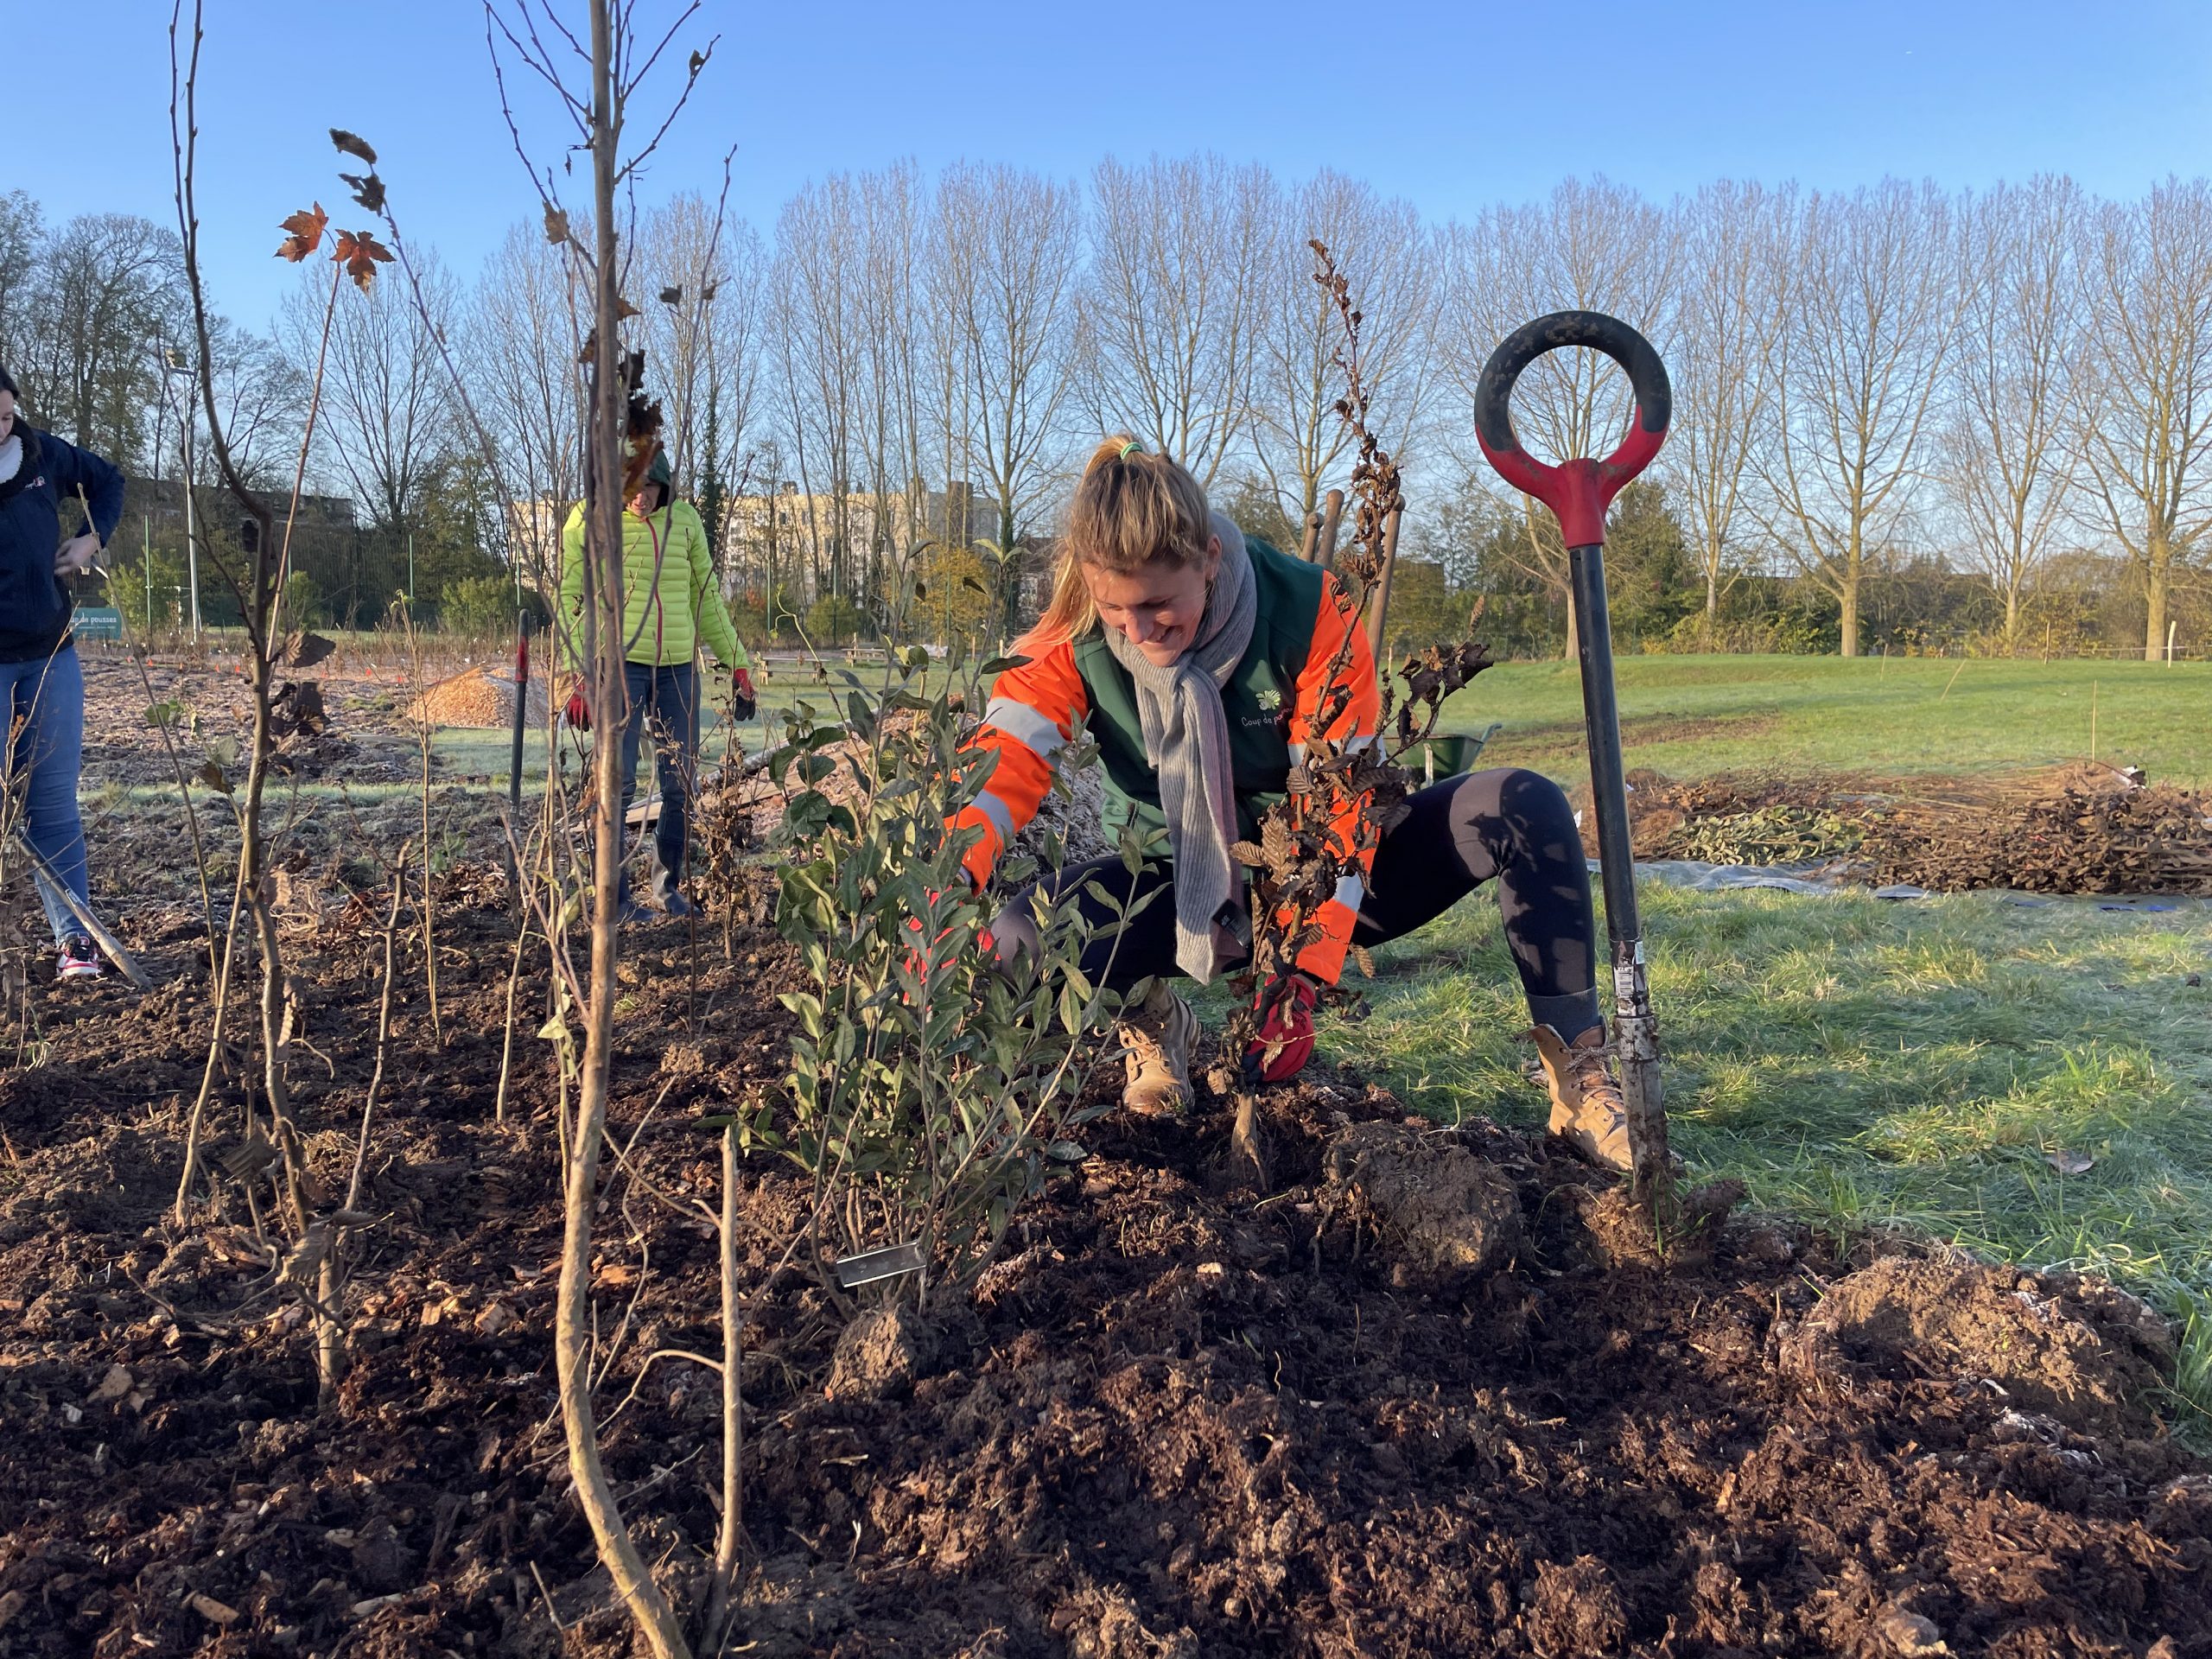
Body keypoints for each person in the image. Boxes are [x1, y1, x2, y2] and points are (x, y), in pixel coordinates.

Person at [949, 436, 1630, 1169]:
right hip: (1169, 881)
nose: (1138, 634)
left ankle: (1579, 1075)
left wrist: (1300, 965)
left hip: (1318, 872)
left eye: (1156, 606)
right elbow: (999, 767)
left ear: (1209, 558)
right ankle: (1152, 1017)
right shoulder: (1070, 636)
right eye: (1116, 610)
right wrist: (939, 894)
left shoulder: (1309, 608)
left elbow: (1339, 801)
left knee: (1523, 804)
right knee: (1016, 941)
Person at [559, 446, 756, 921]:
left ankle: (668, 889)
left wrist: (738, 664)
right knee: (618, 785)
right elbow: (570, 598)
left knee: (680, 782)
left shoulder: (685, 523)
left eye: (649, 487)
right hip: (619, 667)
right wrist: (579, 676)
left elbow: (706, 599)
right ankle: (616, 899)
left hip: (677, 670)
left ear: (664, 486)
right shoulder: (588, 521)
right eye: (631, 488)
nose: (640, 499)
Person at [0, 365, 124, 982]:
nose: (1, 429)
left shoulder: (42, 452)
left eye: (5, 415)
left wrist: (89, 540)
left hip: (51, 654)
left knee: (51, 805)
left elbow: (108, 482)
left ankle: (76, 940)